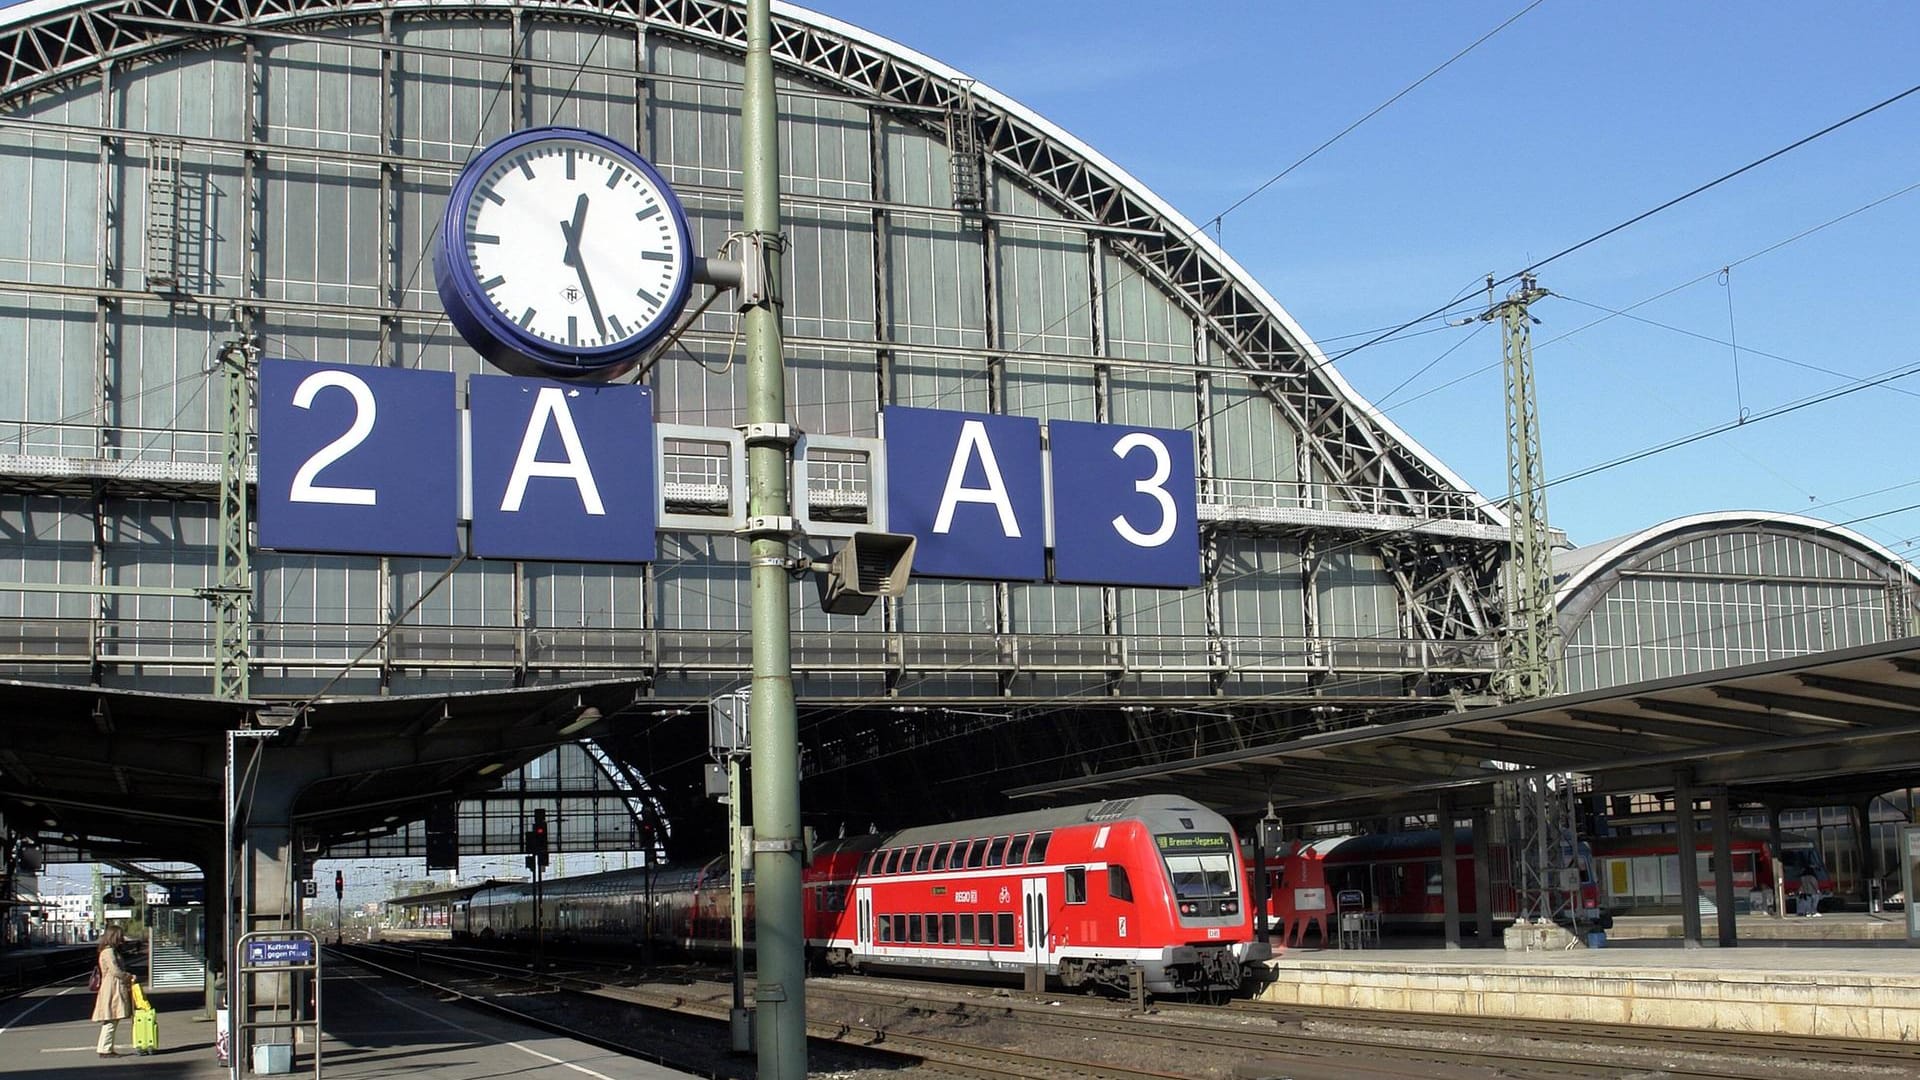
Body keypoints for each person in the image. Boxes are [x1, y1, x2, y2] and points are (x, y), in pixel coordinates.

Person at [91, 926, 136, 1056]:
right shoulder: (109, 952)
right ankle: (105, 1049)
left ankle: (105, 1048)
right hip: (112, 987)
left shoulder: (108, 951)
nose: (122, 939)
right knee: (111, 1019)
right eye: (120, 936)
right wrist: (128, 976)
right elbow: (115, 970)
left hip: (112, 986)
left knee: (111, 1020)